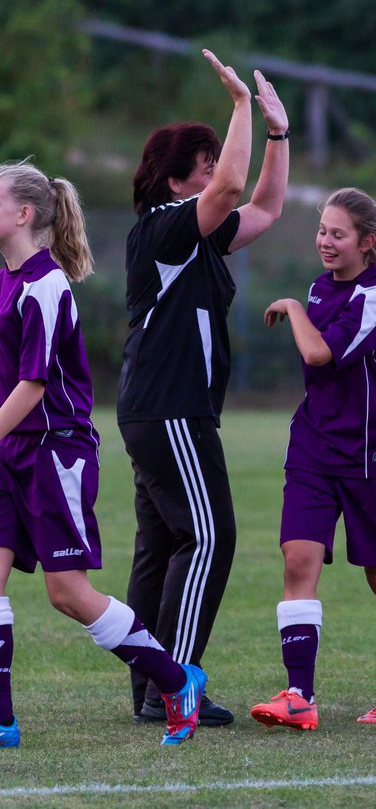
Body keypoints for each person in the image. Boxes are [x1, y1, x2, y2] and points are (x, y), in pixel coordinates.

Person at [0, 160, 207, 747]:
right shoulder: (6, 281)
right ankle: (2, 720)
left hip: (51, 452)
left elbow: (33, 386)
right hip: (10, 449)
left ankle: (174, 681)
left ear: (23, 215)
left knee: (68, 594)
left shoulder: (47, 284)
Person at [119, 49, 289, 727]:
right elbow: (227, 191)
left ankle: (147, 688)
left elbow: (266, 207)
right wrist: (243, 108)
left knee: (163, 549)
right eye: (207, 161)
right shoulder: (163, 228)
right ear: (174, 180)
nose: (219, 170)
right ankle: (173, 685)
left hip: (160, 410)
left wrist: (277, 134)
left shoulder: (200, 240)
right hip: (170, 411)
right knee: (211, 538)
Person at [248, 187, 376, 730]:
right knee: (298, 562)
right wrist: (305, 304)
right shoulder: (321, 288)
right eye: (322, 231)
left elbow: (318, 353)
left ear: (366, 242)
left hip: (371, 459)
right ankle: (299, 695)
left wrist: (295, 309)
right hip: (312, 450)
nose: (325, 241)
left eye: (337, 234)